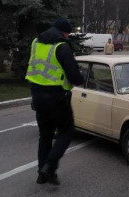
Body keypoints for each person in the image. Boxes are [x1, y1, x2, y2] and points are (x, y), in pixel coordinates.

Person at [25, 18, 85, 186]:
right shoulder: (62, 47)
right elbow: (74, 76)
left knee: (45, 135)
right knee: (66, 131)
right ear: (64, 32)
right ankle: (49, 165)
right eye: (68, 33)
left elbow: (32, 64)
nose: (67, 36)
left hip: (37, 95)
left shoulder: (36, 42)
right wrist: (80, 79)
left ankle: (42, 174)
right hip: (57, 97)